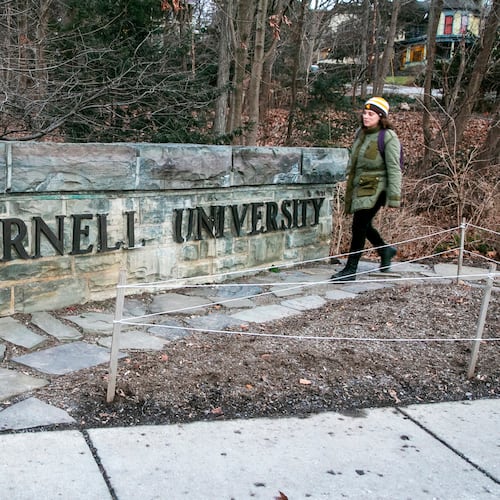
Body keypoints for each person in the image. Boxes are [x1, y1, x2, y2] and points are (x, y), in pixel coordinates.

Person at [331, 96, 402, 281]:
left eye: (371, 114)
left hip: (378, 188)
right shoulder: (360, 133)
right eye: (365, 113)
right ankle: (385, 250)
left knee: (359, 225)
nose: (366, 116)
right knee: (364, 224)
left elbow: (394, 167)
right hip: (360, 186)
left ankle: (351, 269)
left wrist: (394, 196)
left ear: (381, 116)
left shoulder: (388, 136)